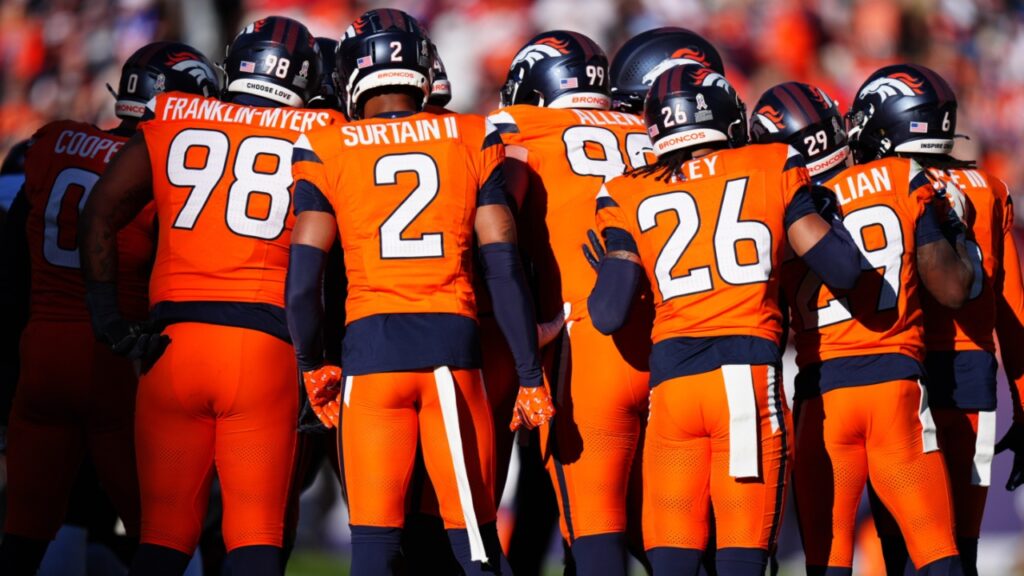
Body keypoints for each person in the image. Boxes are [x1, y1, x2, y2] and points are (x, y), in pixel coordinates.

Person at [286, 9, 553, 575]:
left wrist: (311, 365)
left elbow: (305, 281)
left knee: (373, 549)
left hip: (368, 356)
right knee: (476, 547)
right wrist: (530, 374)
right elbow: (502, 265)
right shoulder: (471, 134)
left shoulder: (325, 145)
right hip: (449, 352)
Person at [79, 17, 331, 576]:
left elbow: (99, 213)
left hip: (173, 347)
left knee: (161, 539)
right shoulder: (323, 129)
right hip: (264, 349)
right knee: (256, 539)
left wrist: (108, 319)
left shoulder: (173, 114)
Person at [588, 64, 861, 575]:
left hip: (671, 391)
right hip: (743, 381)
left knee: (672, 563)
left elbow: (607, 313)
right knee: (741, 560)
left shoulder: (625, 191)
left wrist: (615, 263)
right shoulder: (771, 163)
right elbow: (844, 271)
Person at [0, 41, 218, 575]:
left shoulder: (53, 141)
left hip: (40, 353)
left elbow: (12, 263)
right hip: (115, 358)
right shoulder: (167, 167)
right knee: (163, 530)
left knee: (24, 534)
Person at [787, 63, 975, 575]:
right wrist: (955, 228)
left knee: (828, 563)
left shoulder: (774, 200)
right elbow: (953, 289)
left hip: (822, 396)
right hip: (896, 386)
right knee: (937, 553)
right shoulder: (901, 176)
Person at [487, 29, 654, 574]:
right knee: (669, 537)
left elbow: (492, 231)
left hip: (587, 342)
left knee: (595, 534)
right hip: (674, 340)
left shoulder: (521, 126)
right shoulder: (648, 126)